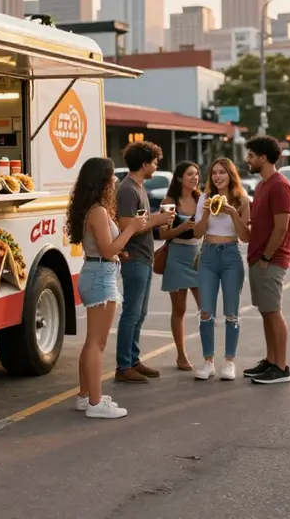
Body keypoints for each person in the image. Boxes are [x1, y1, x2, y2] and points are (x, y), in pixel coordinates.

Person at [67, 157, 148, 418]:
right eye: (112, 176)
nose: (115, 180)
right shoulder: (98, 211)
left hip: (98, 271)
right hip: (101, 275)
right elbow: (109, 248)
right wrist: (131, 228)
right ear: (101, 180)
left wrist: (116, 252)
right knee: (96, 344)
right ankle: (95, 403)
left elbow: (106, 249)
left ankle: (85, 396)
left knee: (92, 342)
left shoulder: (91, 208)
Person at [115, 141, 174, 384]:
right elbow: (126, 224)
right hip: (134, 258)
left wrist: (157, 222)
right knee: (131, 313)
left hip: (144, 257)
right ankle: (123, 365)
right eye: (154, 162)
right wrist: (158, 219)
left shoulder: (138, 187)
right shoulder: (128, 190)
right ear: (144, 164)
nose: (156, 166)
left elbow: (141, 222)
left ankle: (133, 359)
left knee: (140, 313)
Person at [192, 158, 250, 381]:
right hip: (207, 254)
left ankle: (229, 362)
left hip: (230, 255)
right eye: (214, 173)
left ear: (231, 175)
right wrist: (206, 213)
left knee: (231, 311)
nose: (217, 176)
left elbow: (245, 237)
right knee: (206, 311)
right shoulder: (205, 198)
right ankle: (208, 362)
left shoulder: (242, 200)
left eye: (222, 173)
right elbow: (197, 233)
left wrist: (233, 213)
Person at [244, 135, 290, 384]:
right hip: (257, 259)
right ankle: (271, 360)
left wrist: (266, 257)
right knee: (266, 311)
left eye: (251, 155)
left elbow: (281, 227)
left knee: (273, 311)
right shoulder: (262, 185)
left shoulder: (279, 185)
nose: (247, 160)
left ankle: (281, 367)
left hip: (271, 260)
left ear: (263, 157)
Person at [158, 161, 202, 371]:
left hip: (198, 257)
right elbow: (163, 234)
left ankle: (208, 355)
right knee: (180, 309)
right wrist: (182, 227)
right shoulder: (169, 201)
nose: (194, 178)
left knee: (206, 308)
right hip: (176, 256)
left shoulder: (201, 199)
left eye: (196, 174)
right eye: (189, 174)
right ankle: (181, 356)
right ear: (179, 178)